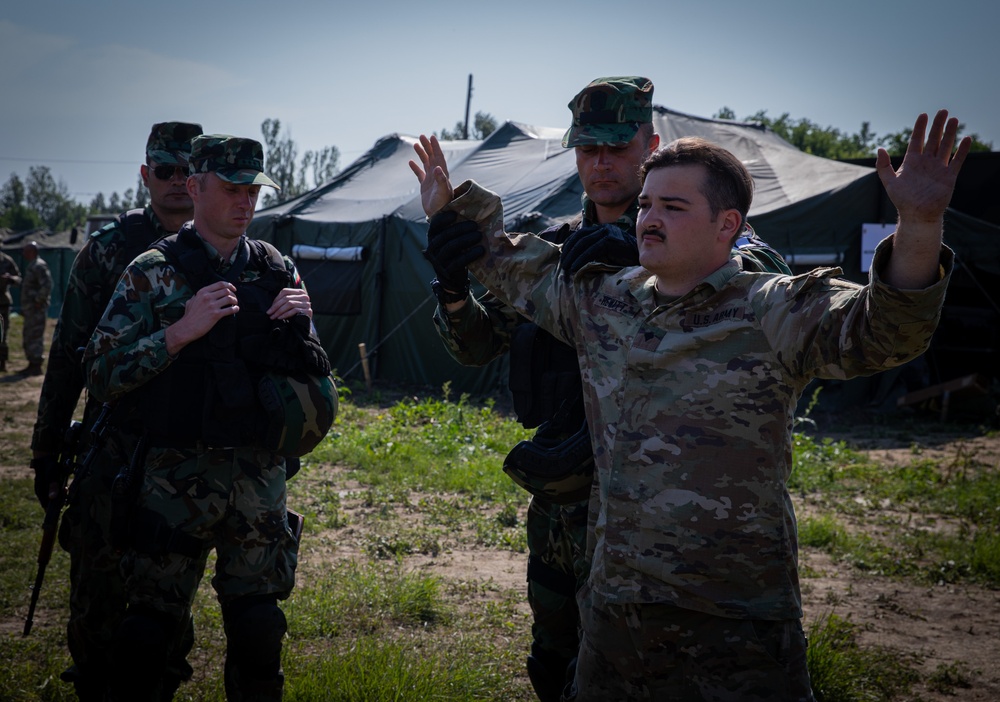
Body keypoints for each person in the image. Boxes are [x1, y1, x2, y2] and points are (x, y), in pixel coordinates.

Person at [411, 109, 969, 701]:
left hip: (731, 617)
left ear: (728, 224)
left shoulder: (771, 308)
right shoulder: (604, 299)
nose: (648, 219)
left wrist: (920, 220)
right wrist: (450, 211)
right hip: (614, 606)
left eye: (672, 209)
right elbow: (505, 258)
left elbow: (887, 328)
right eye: (647, 204)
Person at [419, 76, 790, 702]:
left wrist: (640, 254)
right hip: (565, 500)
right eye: (588, 148)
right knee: (556, 662)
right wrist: (454, 287)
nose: (601, 162)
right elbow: (478, 346)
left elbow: (764, 287)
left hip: (671, 509)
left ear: (650, 143)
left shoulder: (712, 235)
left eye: (618, 147)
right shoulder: (551, 247)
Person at [84, 134, 333, 701]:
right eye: (231, 189)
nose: (245, 202)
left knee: (259, 630)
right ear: (194, 188)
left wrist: (303, 326)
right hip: (172, 479)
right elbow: (99, 373)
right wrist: (177, 333)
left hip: (258, 481)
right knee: (148, 634)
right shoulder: (151, 272)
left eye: (253, 190)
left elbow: (315, 374)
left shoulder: (276, 267)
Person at [29, 121, 204, 701]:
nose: (177, 182)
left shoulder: (228, 247)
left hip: (189, 455)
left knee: (167, 615)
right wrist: (47, 450)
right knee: (98, 601)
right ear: (145, 176)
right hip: (113, 445)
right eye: (165, 171)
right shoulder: (108, 249)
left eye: (187, 171)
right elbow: (68, 356)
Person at [19, 240, 52, 375]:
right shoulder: (32, 266)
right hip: (31, 308)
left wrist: (39, 300)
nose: (23, 253)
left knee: (35, 335)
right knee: (29, 334)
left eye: (26, 251)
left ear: (32, 251)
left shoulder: (39, 266)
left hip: (36, 308)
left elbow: (47, 285)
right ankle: (32, 363)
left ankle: (36, 365)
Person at [0, 247, 22, 371]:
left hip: (2, 302)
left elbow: (18, 279)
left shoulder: (7, 261)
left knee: (2, 334)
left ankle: (2, 363)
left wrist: (10, 278)